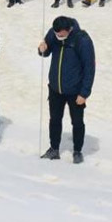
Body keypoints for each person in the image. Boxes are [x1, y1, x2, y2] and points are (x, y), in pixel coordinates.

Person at [37, 17, 96, 164]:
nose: (59, 37)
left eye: (62, 35)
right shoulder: (53, 33)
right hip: (55, 88)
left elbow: (90, 68)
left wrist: (84, 93)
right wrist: (42, 49)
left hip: (75, 91)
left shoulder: (82, 40)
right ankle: (54, 148)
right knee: (54, 119)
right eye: (57, 34)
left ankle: (77, 151)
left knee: (77, 122)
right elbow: (46, 50)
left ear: (69, 30)